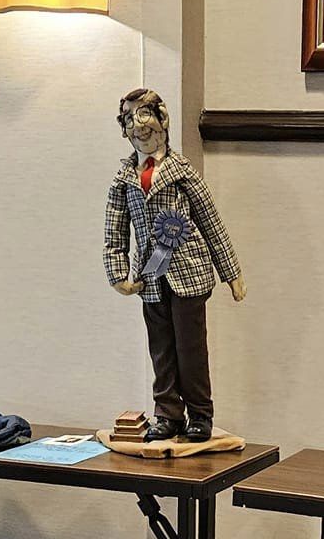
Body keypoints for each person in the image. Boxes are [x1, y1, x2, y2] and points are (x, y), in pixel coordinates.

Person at [102, 88, 244, 442]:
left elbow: (211, 222)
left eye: (144, 115)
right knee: (161, 349)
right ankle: (167, 413)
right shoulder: (123, 180)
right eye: (129, 119)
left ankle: (200, 413)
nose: (138, 126)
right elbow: (114, 231)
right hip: (149, 279)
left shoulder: (183, 173)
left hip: (189, 274)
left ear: (162, 119)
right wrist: (118, 274)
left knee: (190, 348)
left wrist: (232, 273)